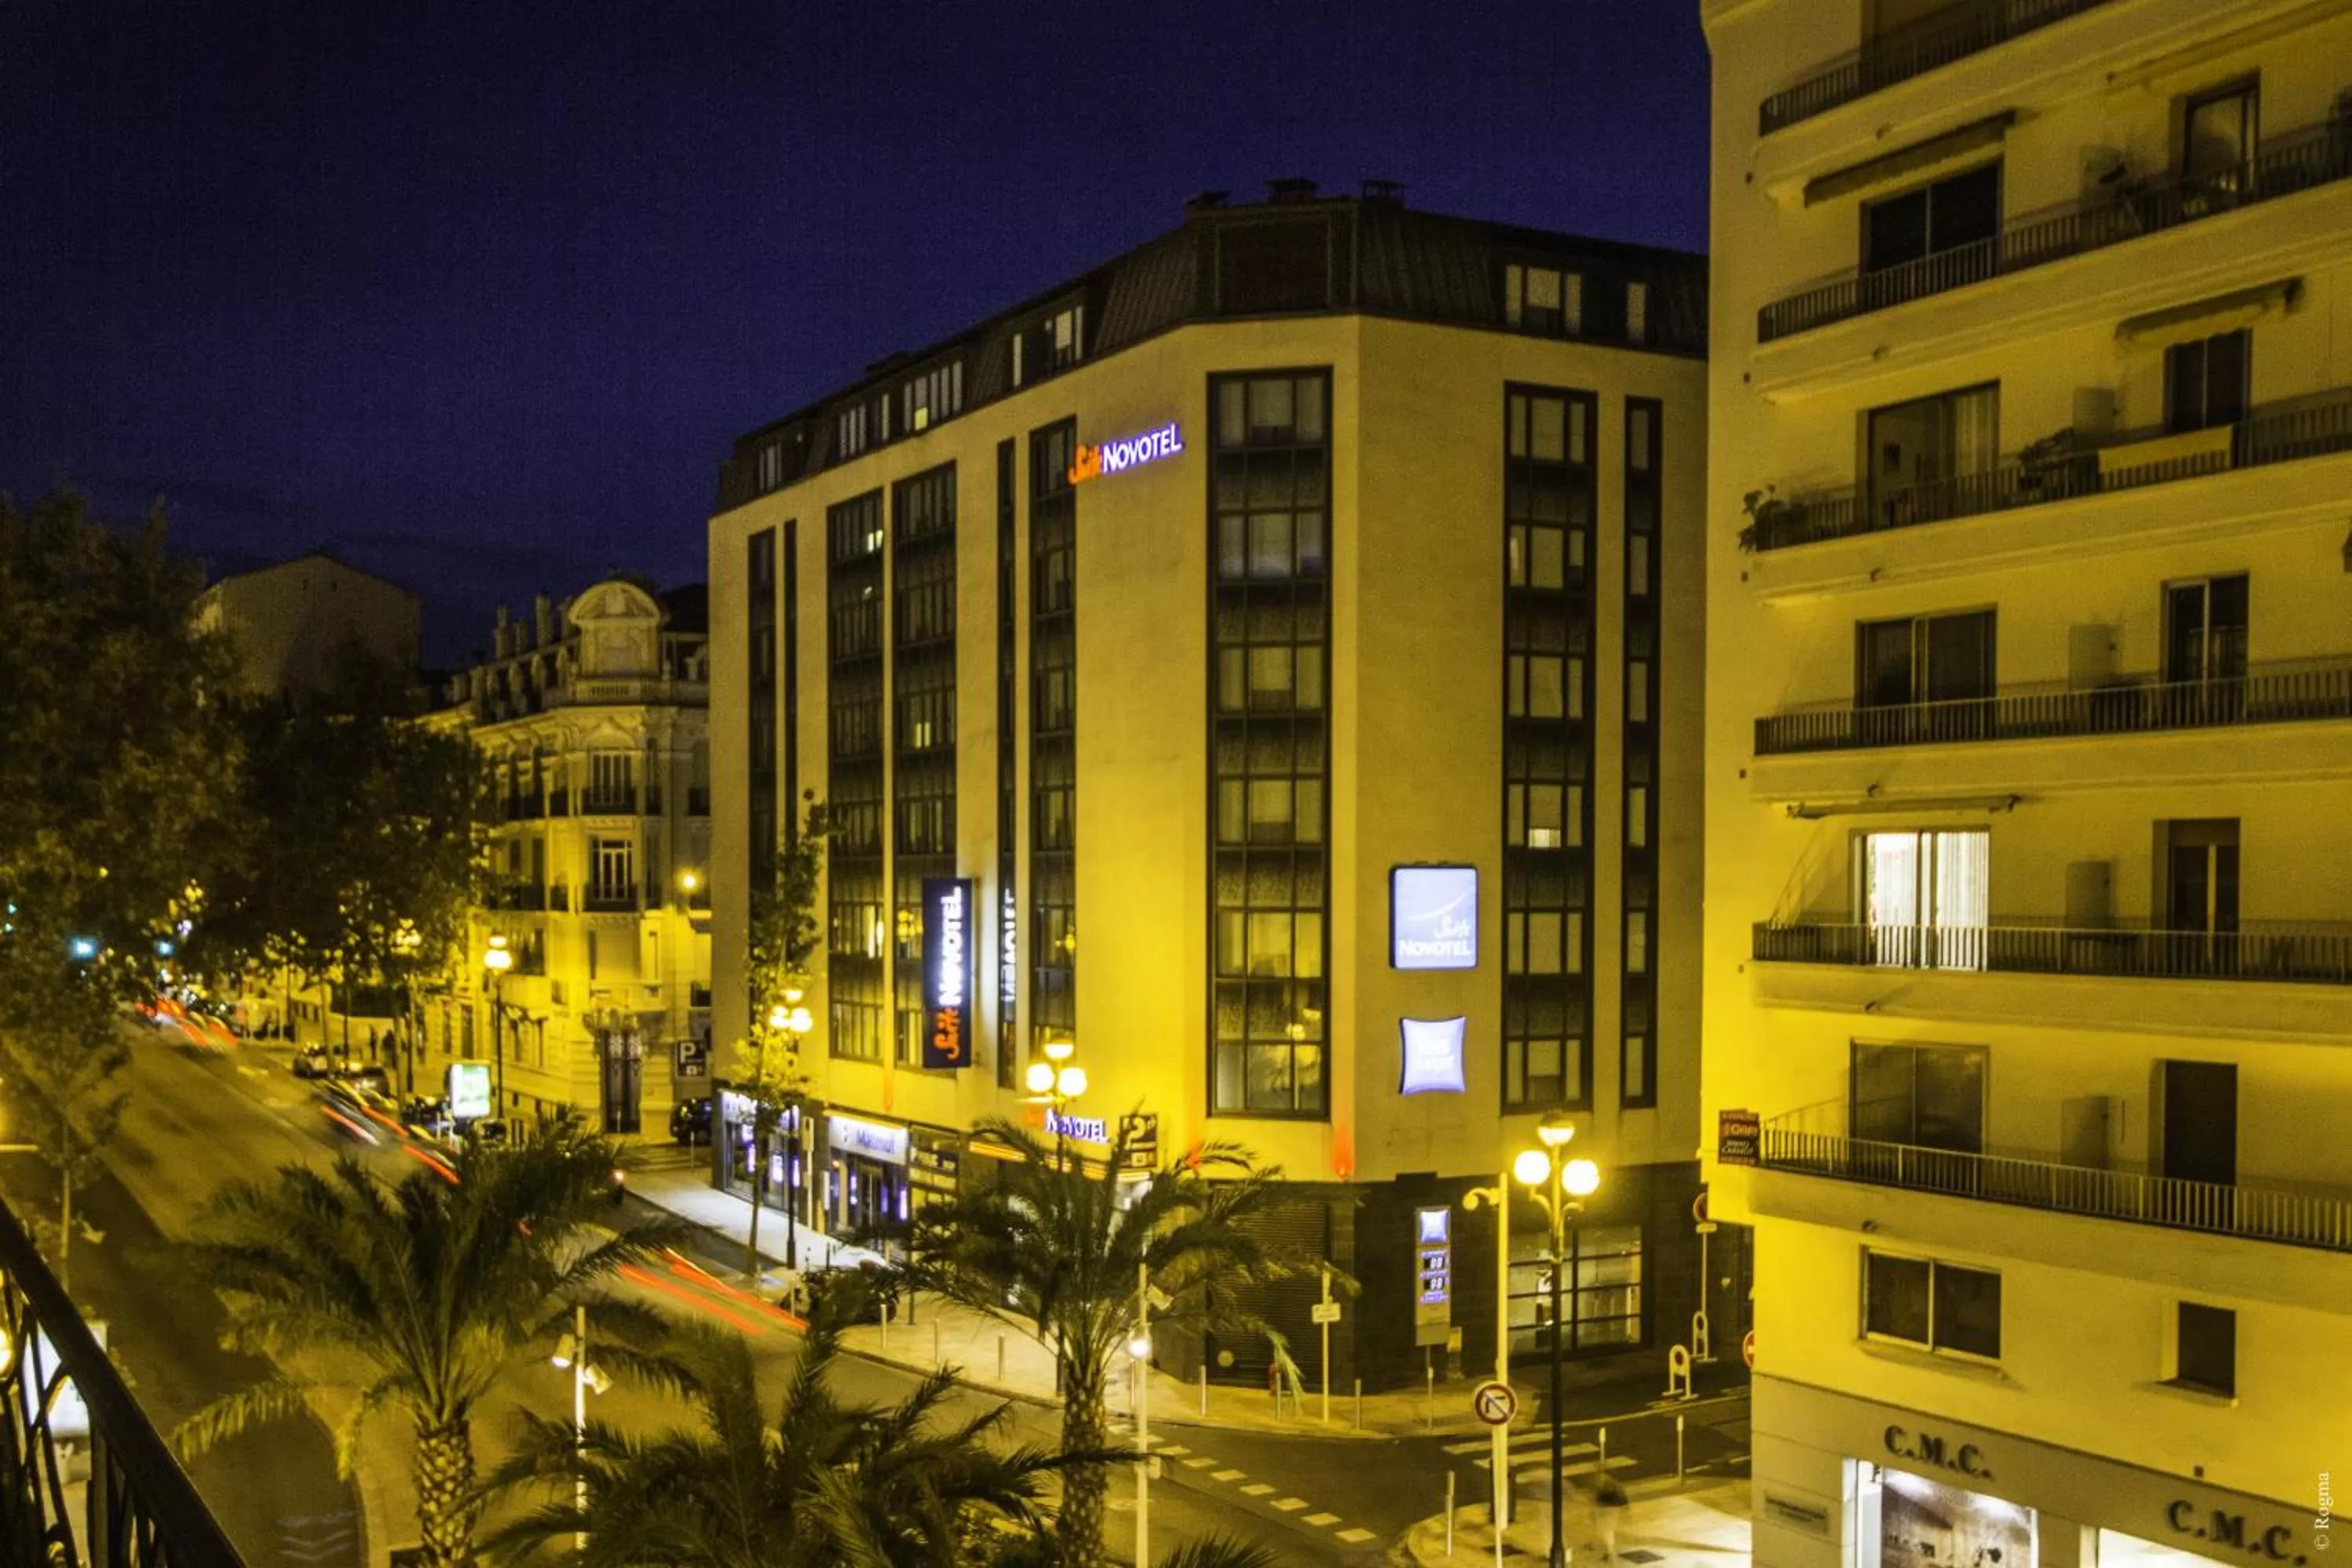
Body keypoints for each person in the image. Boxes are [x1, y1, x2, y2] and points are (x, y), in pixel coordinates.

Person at [1593, 1474, 1629, 1563]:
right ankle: (1609, 1552)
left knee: (1606, 1532)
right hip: (1610, 1511)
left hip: (1607, 1511)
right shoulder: (1614, 1487)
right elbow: (1624, 1501)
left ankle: (1610, 1553)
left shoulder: (1606, 1488)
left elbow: (1599, 1501)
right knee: (1606, 1532)